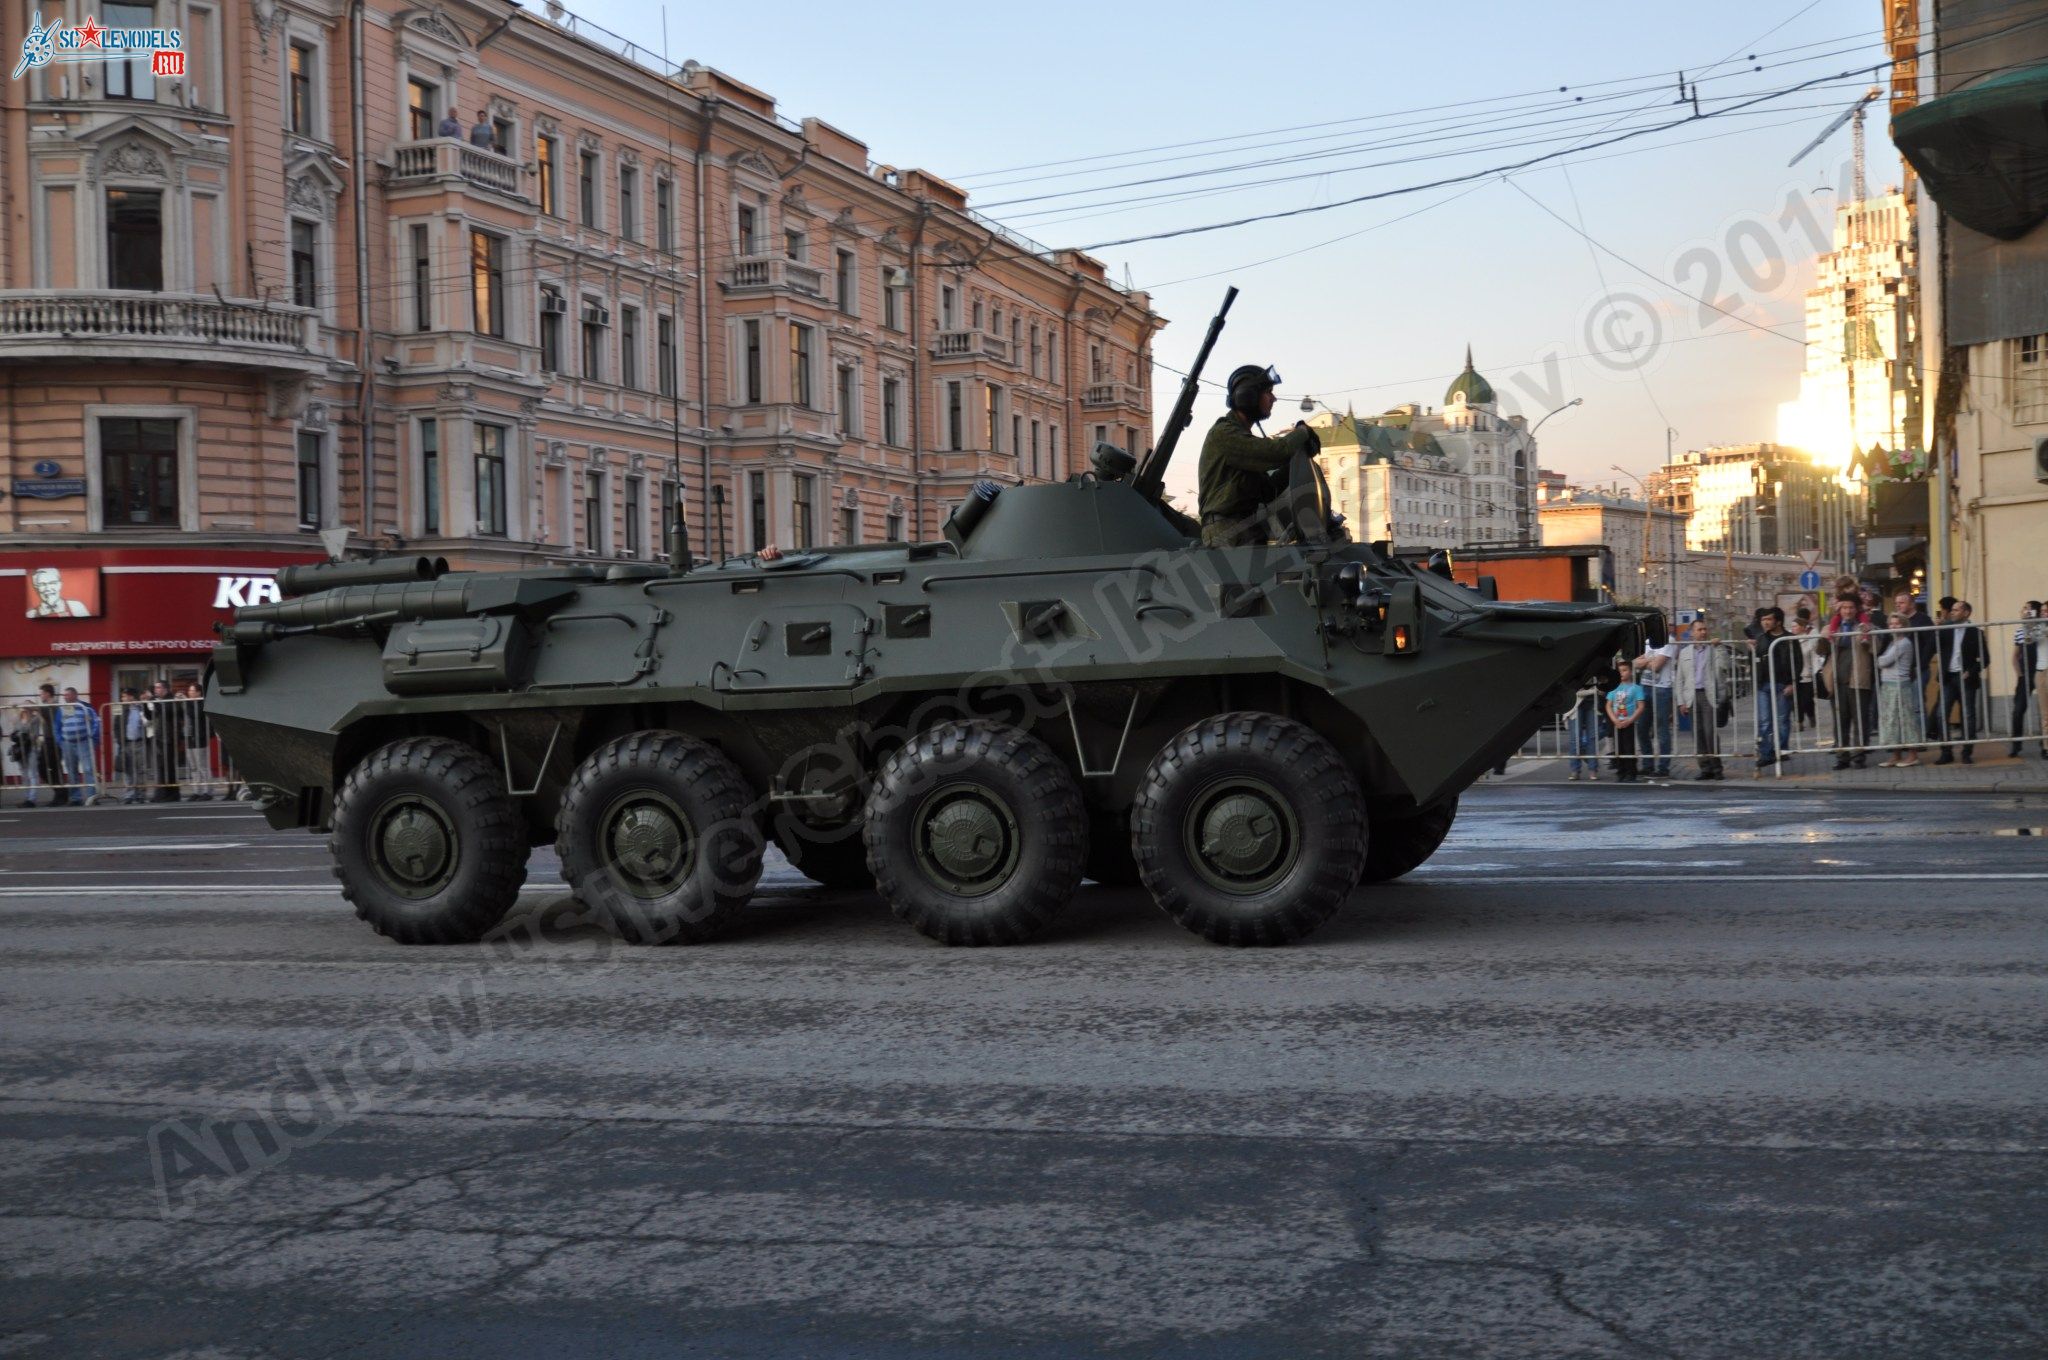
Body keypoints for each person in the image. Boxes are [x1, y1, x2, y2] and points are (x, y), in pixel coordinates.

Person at [1195, 365, 1320, 548]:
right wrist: (1302, 432)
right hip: (1227, 532)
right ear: (1248, 396)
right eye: (1268, 392)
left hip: (1243, 529)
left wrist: (1296, 462)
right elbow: (1276, 452)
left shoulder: (1241, 439)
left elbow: (1268, 490)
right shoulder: (1224, 434)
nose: (1274, 398)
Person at [1817, 596, 1878, 769]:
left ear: (1856, 609)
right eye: (1844, 608)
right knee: (1840, 720)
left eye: (1851, 607)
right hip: (1836, 681)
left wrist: (1865, 635)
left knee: (1860, 719)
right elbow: (1820, 651)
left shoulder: (1866, 627)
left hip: (1858, 679)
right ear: (1839, 610)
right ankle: (1842, 757)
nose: (1848, 611)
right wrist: (1824, 638)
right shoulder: (1830, 628)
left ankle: (1859, 756)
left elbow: (1875, 648)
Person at [1933, 599, 1986, 765]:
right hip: (1949, 678)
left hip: (1966, 679)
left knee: (1968, 715)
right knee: (1942, 713)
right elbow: (1934, 647)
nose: (1952, 612)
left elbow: (1985, 658)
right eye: (1952, 610)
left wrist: (1971, 671)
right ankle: (1946, 751)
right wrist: (1936, 630)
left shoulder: (1975, 633)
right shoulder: (1946, 630)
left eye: (1956, 610)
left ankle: (1966, 752)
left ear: (1966, 613)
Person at [1676, 619, 1728, 780]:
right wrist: (1681, 701)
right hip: (1691, 696)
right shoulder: (1684, 652)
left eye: (1705, 629)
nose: (1703, 632)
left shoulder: (1713, 649)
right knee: (1697, 733)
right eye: (1699, 630)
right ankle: (1705, 768)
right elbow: (1680, 679)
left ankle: (1716, 767)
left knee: (1710, 731)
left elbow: (1724, 667)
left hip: (1708, 695)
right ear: (1692, 632)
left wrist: (1719, 647)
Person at [1749, 607, 1799, 767]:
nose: (1765, 623)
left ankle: (1781, 749)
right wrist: (1751, 650)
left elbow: (1797, 662)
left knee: (1782, 719)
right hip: (1763, 685)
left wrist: (1793, 682)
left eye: (1769, 619)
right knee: (1764, 720)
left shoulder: (1789, 639)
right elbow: (1754, 661)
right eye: (1763, 620)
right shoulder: (1760, 639)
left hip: (1782, 684)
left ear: (1777, 621)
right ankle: (1766, 753)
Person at [1875, 614, 1923, 768]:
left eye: (1898, 624)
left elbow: (1884, 661)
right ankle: (1896, 754)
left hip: (1899, 685)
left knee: (1905, 720)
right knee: (1892, 721)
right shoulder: (1893, 643)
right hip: (1889, 685)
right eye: (1891, 624)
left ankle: (1912, 755)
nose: (1894, 627)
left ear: (1904, 626)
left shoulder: (1903, 643)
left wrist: (1880, 660)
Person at [1633, 633, 1679, 778]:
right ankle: (1648, 764)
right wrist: (1650, 660)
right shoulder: (1646, 641)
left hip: (1662, 688)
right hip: (1645, 686)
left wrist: (1646, 661)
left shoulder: (1669, 640)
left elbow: (1657, 666)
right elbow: (1634, 663)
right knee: (1642, 728)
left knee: (1661, 729)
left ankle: (1663, 768)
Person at [52, 685, 100, 806]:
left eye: (67, 695)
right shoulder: (62, 709)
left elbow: (95, 722)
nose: (65, 697)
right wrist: (60, 741)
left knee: (88, 769)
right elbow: (57, 726)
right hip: (68, 743)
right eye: (64, 695)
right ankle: (75, 798)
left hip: (84, 742)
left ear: (74, 695)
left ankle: (92, 796)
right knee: (71, 770)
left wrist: (93, 738)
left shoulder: (85, 707)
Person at [1606, 660, 1646, 783]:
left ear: (1631, 671)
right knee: (1619, 747)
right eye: (1619, 671)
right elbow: (1608, 705)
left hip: (1629, 721)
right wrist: (1614, 720)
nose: (1622, 673)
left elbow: (1641, 706)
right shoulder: (1613, 688)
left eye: (1625, 670)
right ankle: (1621, 771)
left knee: (1629, 747)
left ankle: (1631, 772)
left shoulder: (1636, 688)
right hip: (1617, 722)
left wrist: (1631, 719)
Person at [2010, 602, 2041, 758]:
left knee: (2044, 711)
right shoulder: (2019, 632)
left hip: (2041, 672)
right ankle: (2016, 745)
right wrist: (2019, 673)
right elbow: (2015, 655)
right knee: (2018, 710)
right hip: (2025, 675)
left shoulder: (2042, 629)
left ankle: (2045, 746)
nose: (2023, 611)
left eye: (2027, 609)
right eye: (2023, 608)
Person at [8, 705, 45, 808]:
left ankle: (32, 798)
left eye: (28, 705)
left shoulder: (35, 719)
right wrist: (16, 709)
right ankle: (27, 797)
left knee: (32, 773)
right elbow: (14, 731)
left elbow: (35, 731)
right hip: (20, 750)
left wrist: (34, 709)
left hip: (31, 748)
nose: (25, 707)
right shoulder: (19, 719)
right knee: (24, 774)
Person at [116, 688, 148, 804]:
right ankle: (129, 794)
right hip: (126, 743)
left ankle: (141, 794)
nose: (122, 699)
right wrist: (120, 741)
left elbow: (147, 722)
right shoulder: (121, 709)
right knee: (128, 770)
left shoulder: (140, 708)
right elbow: (116, 726)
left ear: (131, 697)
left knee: (140, 769)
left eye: (124, 697)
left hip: (139, 742)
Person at [25, 566, 91, 618]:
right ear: (36, 588)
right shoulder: (31, 614)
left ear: (60, 585)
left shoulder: (76, 606)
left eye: (52, 583)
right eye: (42, 584)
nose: (48, 588)